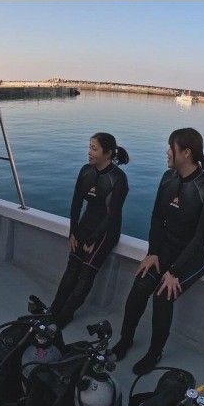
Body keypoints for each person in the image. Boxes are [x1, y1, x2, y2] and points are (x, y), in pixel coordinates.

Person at [111, 127, 204, 375]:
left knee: (163, 295)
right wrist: (152, 253)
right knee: (140, 286)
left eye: (171, 147)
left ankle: (154, 353)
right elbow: (157, 217)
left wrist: (174, 272)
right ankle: (125, 340)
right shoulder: (167, 178)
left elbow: (200, 238)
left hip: (195, 256)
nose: (166, 152)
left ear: (186, 153)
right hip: (166, 248)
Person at [49, 133, 129, 328]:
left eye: (94, 148)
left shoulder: (118, 179)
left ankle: (65, 315)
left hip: (106, 232)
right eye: (89, 147)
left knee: (85, 273)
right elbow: (76, 202)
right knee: (71, 269)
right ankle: (53, 310)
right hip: (85, 225)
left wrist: (93, 239)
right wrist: (73, 232)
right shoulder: (86, 171)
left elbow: (111, 215)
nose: (89, 152)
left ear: (108, 153)